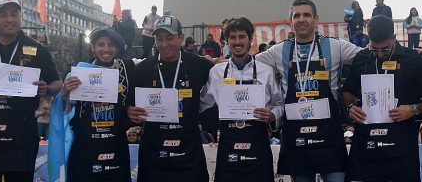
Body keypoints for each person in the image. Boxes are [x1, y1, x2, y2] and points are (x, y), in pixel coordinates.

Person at [255, 0, 362, 182]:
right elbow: (248, 63)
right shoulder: (279, 50)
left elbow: (366, 56)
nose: (301, 19)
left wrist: (411, 53)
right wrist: (214, 63)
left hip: (329, 134)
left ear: (316, 19)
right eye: (296, 16)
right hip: (296, 136)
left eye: (306, 15)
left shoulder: (335, 46)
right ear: (291, 21)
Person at [0, 0, 61, 182]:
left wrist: (47, 90)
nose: (9, 19)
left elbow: (58, 82)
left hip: (20, 139)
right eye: (3, 14)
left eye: (14, 14)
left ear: (20, 17)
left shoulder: (37, 49)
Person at [343, 15, 422, 181]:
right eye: (374, 49)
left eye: (385, 49)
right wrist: (350, 107)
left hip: (401, 143)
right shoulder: (362, 58)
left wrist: (414, 109)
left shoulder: (413, 59)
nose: (379, 54)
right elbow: (347, 92)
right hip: (367, 142)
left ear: (394, 38)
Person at [127, 15, 214, 182]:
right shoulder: (143, 69)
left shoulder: (199, 64)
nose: (164, 44)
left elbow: (222, 78)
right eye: (159, 39)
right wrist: (130, 111)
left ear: (181, 38)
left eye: (169, 38)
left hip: (188, 151)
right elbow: (130, 104)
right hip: (153, 152)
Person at [199, 17, 283, 182]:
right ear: (226, 41)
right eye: (233, 37)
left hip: (258, 145)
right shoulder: (216, 72)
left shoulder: (266, 71)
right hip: (228, 147)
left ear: (250, 39)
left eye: (242, 37)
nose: (237, 42)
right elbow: (201, 104)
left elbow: (279, 104)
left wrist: (272, 116)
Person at [51, 27, 135, 182]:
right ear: (92, 47)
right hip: (85, 149)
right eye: (101, 44)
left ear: (116, 48)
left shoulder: (126, 69)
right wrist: (64, 94)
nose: (106, 49)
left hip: (115, 147)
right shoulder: (78, 73)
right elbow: (63, 112)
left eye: (110, 45)